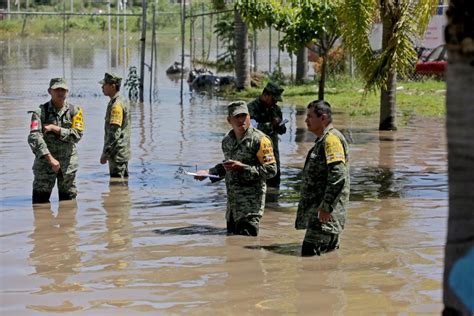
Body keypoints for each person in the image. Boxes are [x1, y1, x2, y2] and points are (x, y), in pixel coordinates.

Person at [195, 101, 277, 236]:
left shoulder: (260, 140)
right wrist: (208, 173)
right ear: (229, 120)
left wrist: (243, 168)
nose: (241, 120)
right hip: (232, 207)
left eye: (244, 116)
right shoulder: (228, 140)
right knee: (233, 246)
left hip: (250, 206)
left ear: (249, 117)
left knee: (248, 248)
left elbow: (271, 170)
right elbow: (226, 166)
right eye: (237, 117)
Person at [295, 100, 350, 256]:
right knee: (323, 267)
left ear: (323, 118)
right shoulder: (324, 140)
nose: (306, 120)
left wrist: (326, 207)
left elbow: (338, 176)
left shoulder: (331, 140)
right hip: (321, 218)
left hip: (323, 219)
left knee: (308, 263)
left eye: (310, 116)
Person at [28, 78, 84, 204]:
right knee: (40, 205)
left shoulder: (75, 111)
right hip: (45, 165)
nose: (60, 93)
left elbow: (77, 135)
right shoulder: (40, 112)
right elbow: (34, 137)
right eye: (56, 90)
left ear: (67, 92)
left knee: (68, 205)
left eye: (63, 90)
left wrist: (55, 128)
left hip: (68, 165)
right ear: (49, 91)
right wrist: (50, 159)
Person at [247, 82, 286, 188]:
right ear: (265, 95)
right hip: (256, 151)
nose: (275, 102)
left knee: (274, 179)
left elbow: (282, 131)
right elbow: (250, 130)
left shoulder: (276, 109)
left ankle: (274, 202)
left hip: (272, 151)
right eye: (273, 99)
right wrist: (270, 125)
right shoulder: (251, 108)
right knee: (257, 179)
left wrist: (279, 125)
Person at [99, 72, 131, 178]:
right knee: (122, 184)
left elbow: (114, 133)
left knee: (117, 184)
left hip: (116, 154)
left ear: (113, 86)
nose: (102, 87)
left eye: (104, 85)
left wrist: (105, 154)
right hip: (121, 152)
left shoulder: (116, 105)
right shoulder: (120, 100)